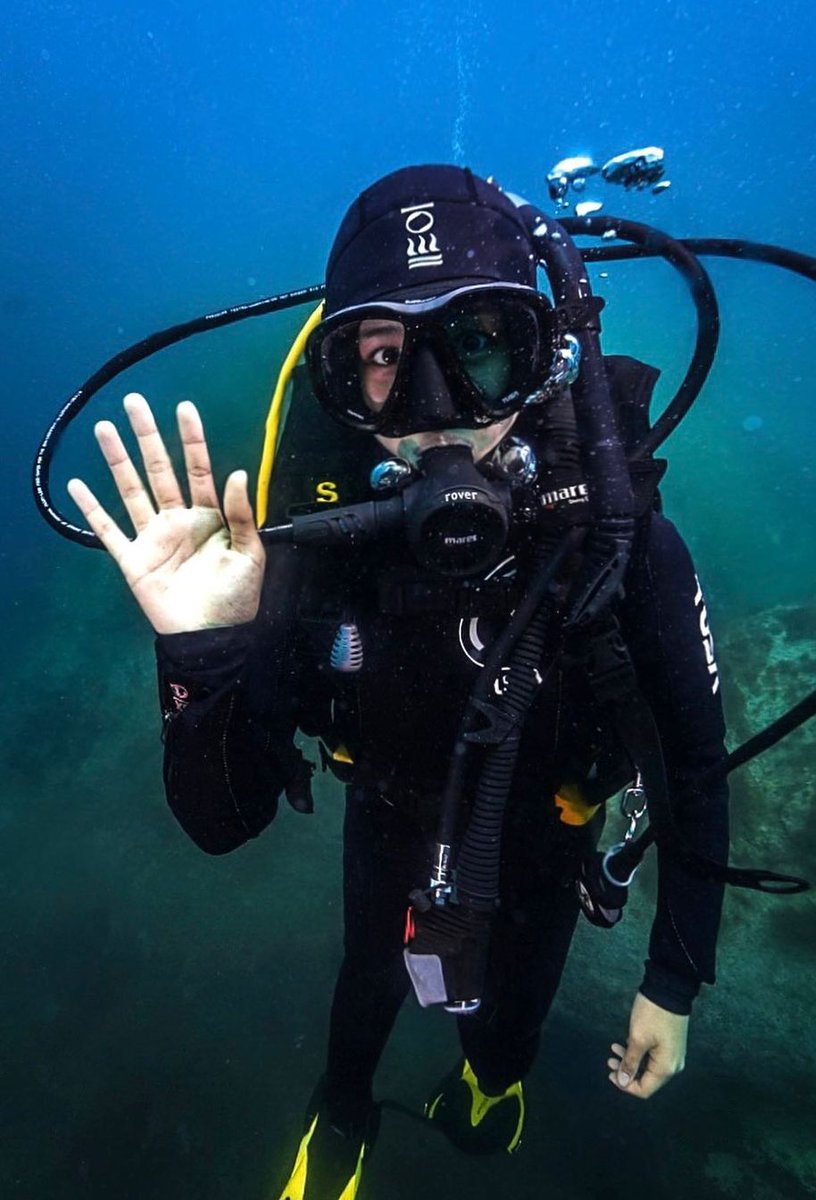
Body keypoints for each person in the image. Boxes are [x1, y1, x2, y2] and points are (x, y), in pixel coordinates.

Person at [67, 164, 729, 1200]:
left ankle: (493, 1079)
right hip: (384, 811)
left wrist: (673, 983)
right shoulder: (319, 552)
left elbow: (691, 762)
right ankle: (343, 1113)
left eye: (476, 344)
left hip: (552, 823)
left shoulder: (616, 539)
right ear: (340, 380)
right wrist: (201, 650)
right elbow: (221, 819)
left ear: (541, 355)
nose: (435, 415)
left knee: (511, 1017)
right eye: (382, 359)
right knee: (367, 981)